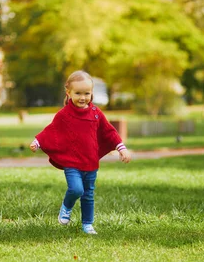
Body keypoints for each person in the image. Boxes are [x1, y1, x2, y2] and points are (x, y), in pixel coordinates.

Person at [30, 71, 131, 235]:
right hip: (72, 163)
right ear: (68, 92)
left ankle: (87, 224)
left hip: (90, 163)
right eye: (78, 93)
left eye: (87, 93)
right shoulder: (64, 115)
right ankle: (66, 206)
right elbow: (52, 131)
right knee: (77, 189)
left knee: (88, 195)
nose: (83, 97)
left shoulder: (96, 113)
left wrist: (121, 147)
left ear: (92, 93)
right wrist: (38, 141)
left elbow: (109, 132)